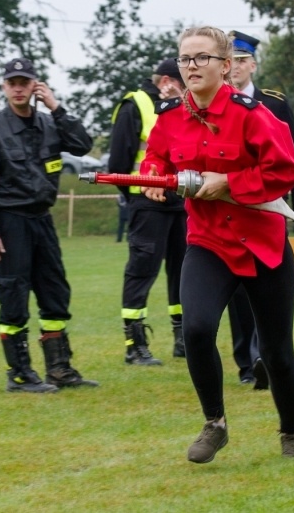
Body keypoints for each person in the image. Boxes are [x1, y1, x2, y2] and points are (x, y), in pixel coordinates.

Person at [140, 25, 294, 461]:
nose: (190, 66)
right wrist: (154, 176)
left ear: (226, 66)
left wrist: (228, 182)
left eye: (201, 58)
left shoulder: (255, 115)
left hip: (263, 245)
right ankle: (215, 423)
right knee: (195, 330)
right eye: (184, 59)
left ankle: (291, 433)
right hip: (209, 242)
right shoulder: (170, 117)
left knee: (275, 352)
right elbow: (154, 156)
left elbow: (286, 172)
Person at [0, 57, 98, 393]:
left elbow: (83, 144)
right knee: (13, 295)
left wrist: (56, 107)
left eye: (25, 82)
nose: (19, 88)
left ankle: (59, 369)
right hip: (8, 222)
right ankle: (20, 374)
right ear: (4, 87)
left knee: (55, 294)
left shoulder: (49, 123)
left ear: (36, 85)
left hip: (42, 220)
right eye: (13, 83)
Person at [226, 29, 294, 390]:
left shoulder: (274, 104)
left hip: (269, 209)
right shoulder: (216, 104)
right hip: (230, 211)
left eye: (242, 61)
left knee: (269, 286)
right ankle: (246, 362)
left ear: (253, 65)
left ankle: (267, 354)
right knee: (236, 291)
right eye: (230, 62)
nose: (235, 69)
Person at [108, 59, 187, 364]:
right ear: (167, 80)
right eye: (183, 79)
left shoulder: (184, 104)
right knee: (142, 271)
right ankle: (135, 344)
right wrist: (135, 196)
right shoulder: (134, 104)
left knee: (183, 272)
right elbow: (118, 162)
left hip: (180, 199)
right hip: (147, 202)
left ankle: (183, 339)